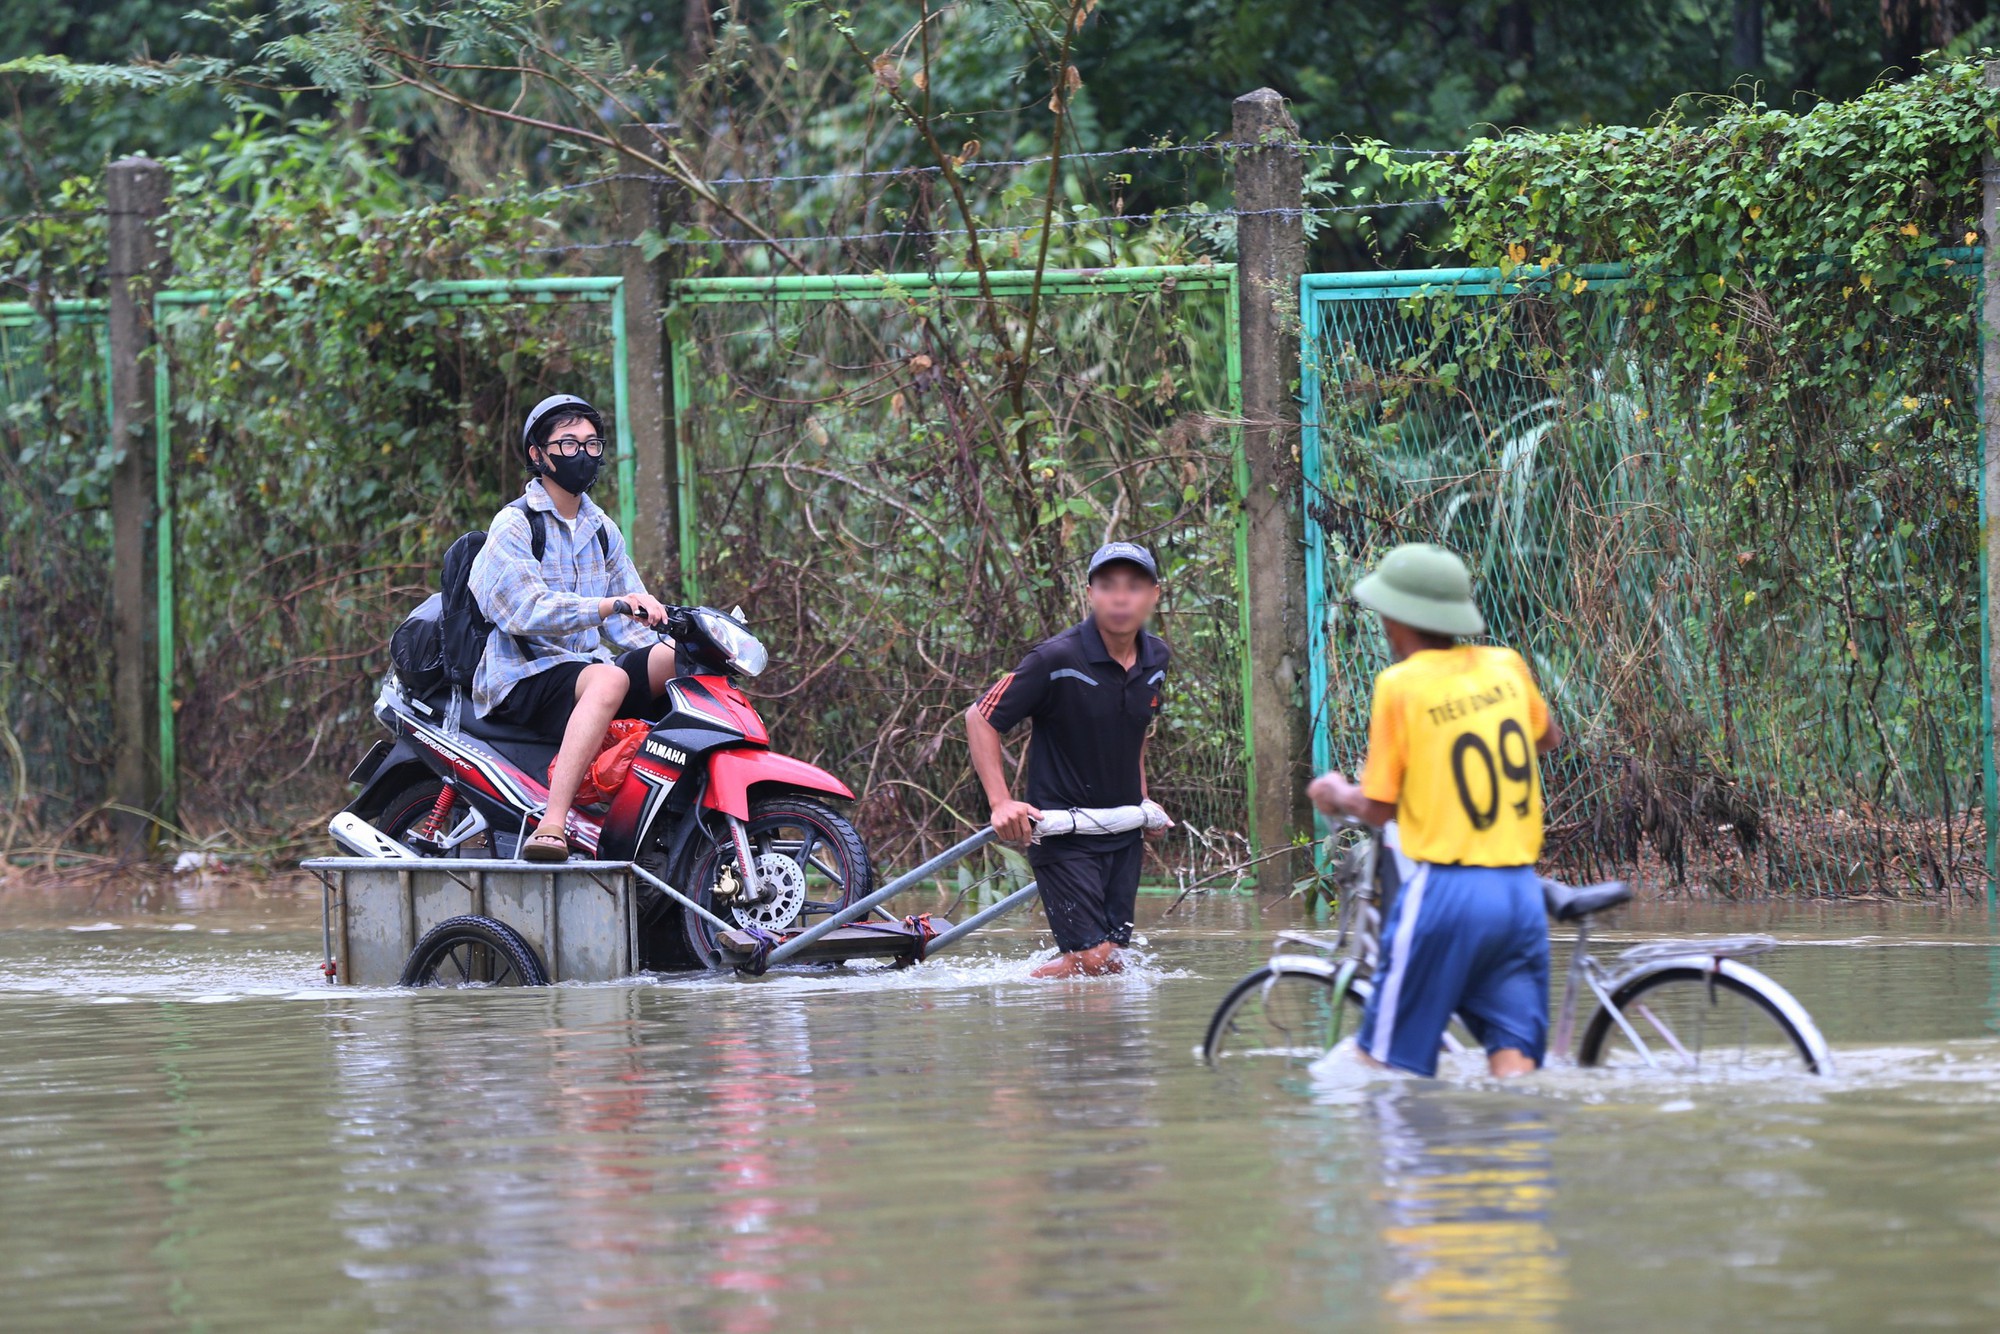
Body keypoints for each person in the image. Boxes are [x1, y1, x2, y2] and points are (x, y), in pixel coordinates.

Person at [1306, 542, 1564, 1078]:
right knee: (1514, 1070)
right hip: (1519, 896)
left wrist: (1335, 795)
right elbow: (1547, 737)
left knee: (1376, 1064)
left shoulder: (1400, 685)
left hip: (1446, 895)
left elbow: (1377, 808)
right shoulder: (1506, 666)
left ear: (1399, 620)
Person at [469, 394, 675, 862]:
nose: (582, 454)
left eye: (591, 444)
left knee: (676, 661)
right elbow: (524, 610)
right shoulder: (515, 524)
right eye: (567, 444)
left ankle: (671, 810)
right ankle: (552, 823)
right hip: (523, 674)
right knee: (610, 677)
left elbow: (632, 624)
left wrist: (677, 636)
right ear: (538, 455)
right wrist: (608, 606)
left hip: (581, 670)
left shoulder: (601, 529)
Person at [966, 541, 1173, 978]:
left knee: (1112, 961)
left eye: (1134, 587)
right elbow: (980, 718)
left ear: (1154, 595)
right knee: (1092, 960)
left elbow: (1134, 733)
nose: (1121, 598)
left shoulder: (1157, 658)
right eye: (1109, 586)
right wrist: (1001, 803)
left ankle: (1070, 1034)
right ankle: (1005, 1006)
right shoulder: (1055, 658)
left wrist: (1144, 804)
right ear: (1090, 593)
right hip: (1062, 834)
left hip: (1123, 835)